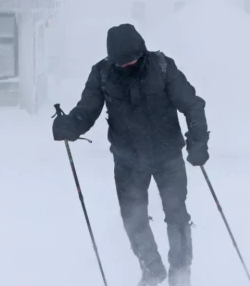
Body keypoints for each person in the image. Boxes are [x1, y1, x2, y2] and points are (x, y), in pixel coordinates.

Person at [52, 23, 210, 286]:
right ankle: (152, 268)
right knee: (132, 216)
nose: (127, 66)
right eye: (121, 63)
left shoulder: (162, 66)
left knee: (176, 213)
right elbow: (87, 110)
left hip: (167, 155)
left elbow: (192, 105)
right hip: (128, 159)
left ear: (142, 51)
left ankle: (180, 273)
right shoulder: (102, 73)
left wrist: (198, 140)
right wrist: (69, 125)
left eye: (132, 60)